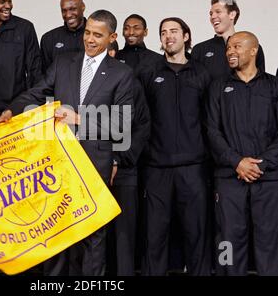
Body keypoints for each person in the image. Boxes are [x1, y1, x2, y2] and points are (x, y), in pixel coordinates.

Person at [0, 10, 135, 276]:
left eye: (98, 35)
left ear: (112, 37)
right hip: (58, 160)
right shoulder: (63, 62)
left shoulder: (122, 73)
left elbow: (121, 125)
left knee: (92, 232)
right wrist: (11, 111)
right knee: (56, 228)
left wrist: (79, 118)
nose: (90, 40)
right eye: (87, 33)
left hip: (95, 162)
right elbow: (36, 92)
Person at [140, 17, 211, 276]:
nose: (168, 36)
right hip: (157, 169)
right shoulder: (149, 72)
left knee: (197, 238)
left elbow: (210, 120)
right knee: (154, 239)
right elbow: (140, 118)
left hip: (194, 168)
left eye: (173, 31)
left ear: (186, 36)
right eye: (163, 32)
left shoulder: (202, 73)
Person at [206, 31, 278, 275]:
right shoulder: (218, 87)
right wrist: (237, 162)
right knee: (228, 241)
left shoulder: (273, 85)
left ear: (253, 50)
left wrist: (262, 164)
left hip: (268, 179)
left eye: (236, 46)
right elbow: (212, 131)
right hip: (229, 179)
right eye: (228, 48)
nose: (230, 52)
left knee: (269, 241)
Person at [107, 37, 150, 276]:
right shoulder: (84, 84)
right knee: (95, 236)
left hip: (125, 170)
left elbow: (142, 126)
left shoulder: (132, 84)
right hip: (93, 169)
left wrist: (118, 159)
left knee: (124, 237)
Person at [192, 0, 265, 81]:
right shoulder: (199, 49)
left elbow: (261, 83)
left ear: (232, 14)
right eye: (211, 14)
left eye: (218, 12)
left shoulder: (252, 47)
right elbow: (194, 86)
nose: (213, 16)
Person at [40, 0, 86, 73]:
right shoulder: (48, 39)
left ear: (83, 7)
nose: (68, 15)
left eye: (73, 9)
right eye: (64, 11)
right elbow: (44, 75)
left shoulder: (97, 36)